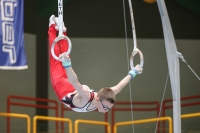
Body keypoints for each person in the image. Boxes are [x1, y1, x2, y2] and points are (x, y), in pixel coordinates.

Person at [48, 15, 143, 113]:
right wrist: (67, 65)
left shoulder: (104, 96)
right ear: (98, 99)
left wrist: (134, 72)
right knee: (56, 59)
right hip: (66, 86)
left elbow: (120, 86)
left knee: (63, 57)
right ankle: (52, 27)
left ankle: (62, 30)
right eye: (106, 107)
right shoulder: (86, 96)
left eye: (108, 108)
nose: (106, 111)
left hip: (66, 88)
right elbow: (74, 82)